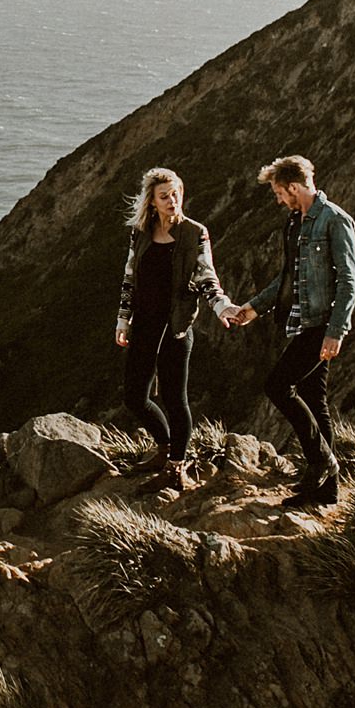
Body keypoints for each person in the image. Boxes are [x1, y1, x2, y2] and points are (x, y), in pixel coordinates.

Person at [225, 155, 355, 506]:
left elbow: (349, 281)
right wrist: (253, 308)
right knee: (315, 400)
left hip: (322, 325)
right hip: (302, 322)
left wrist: (337, 330)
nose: (278, 199)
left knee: (277, 385)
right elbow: (288, 278)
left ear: (294, 187)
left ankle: (322, 463)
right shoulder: (294, 224)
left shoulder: (335, 221)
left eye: (279, 193)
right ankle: (327, 492)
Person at [115, 167, 233, 481]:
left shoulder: (195, 232)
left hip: (176, 328)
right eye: (164, 196)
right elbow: (130, 278)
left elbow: (207, 276)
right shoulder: (140, 231)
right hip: (143, 325)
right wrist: (122, 320)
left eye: (176, 193)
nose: (172, 200)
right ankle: (165, 447)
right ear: (152, 201)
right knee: (135, 398)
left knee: (174, 398)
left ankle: (175, 466)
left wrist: (222, 307)